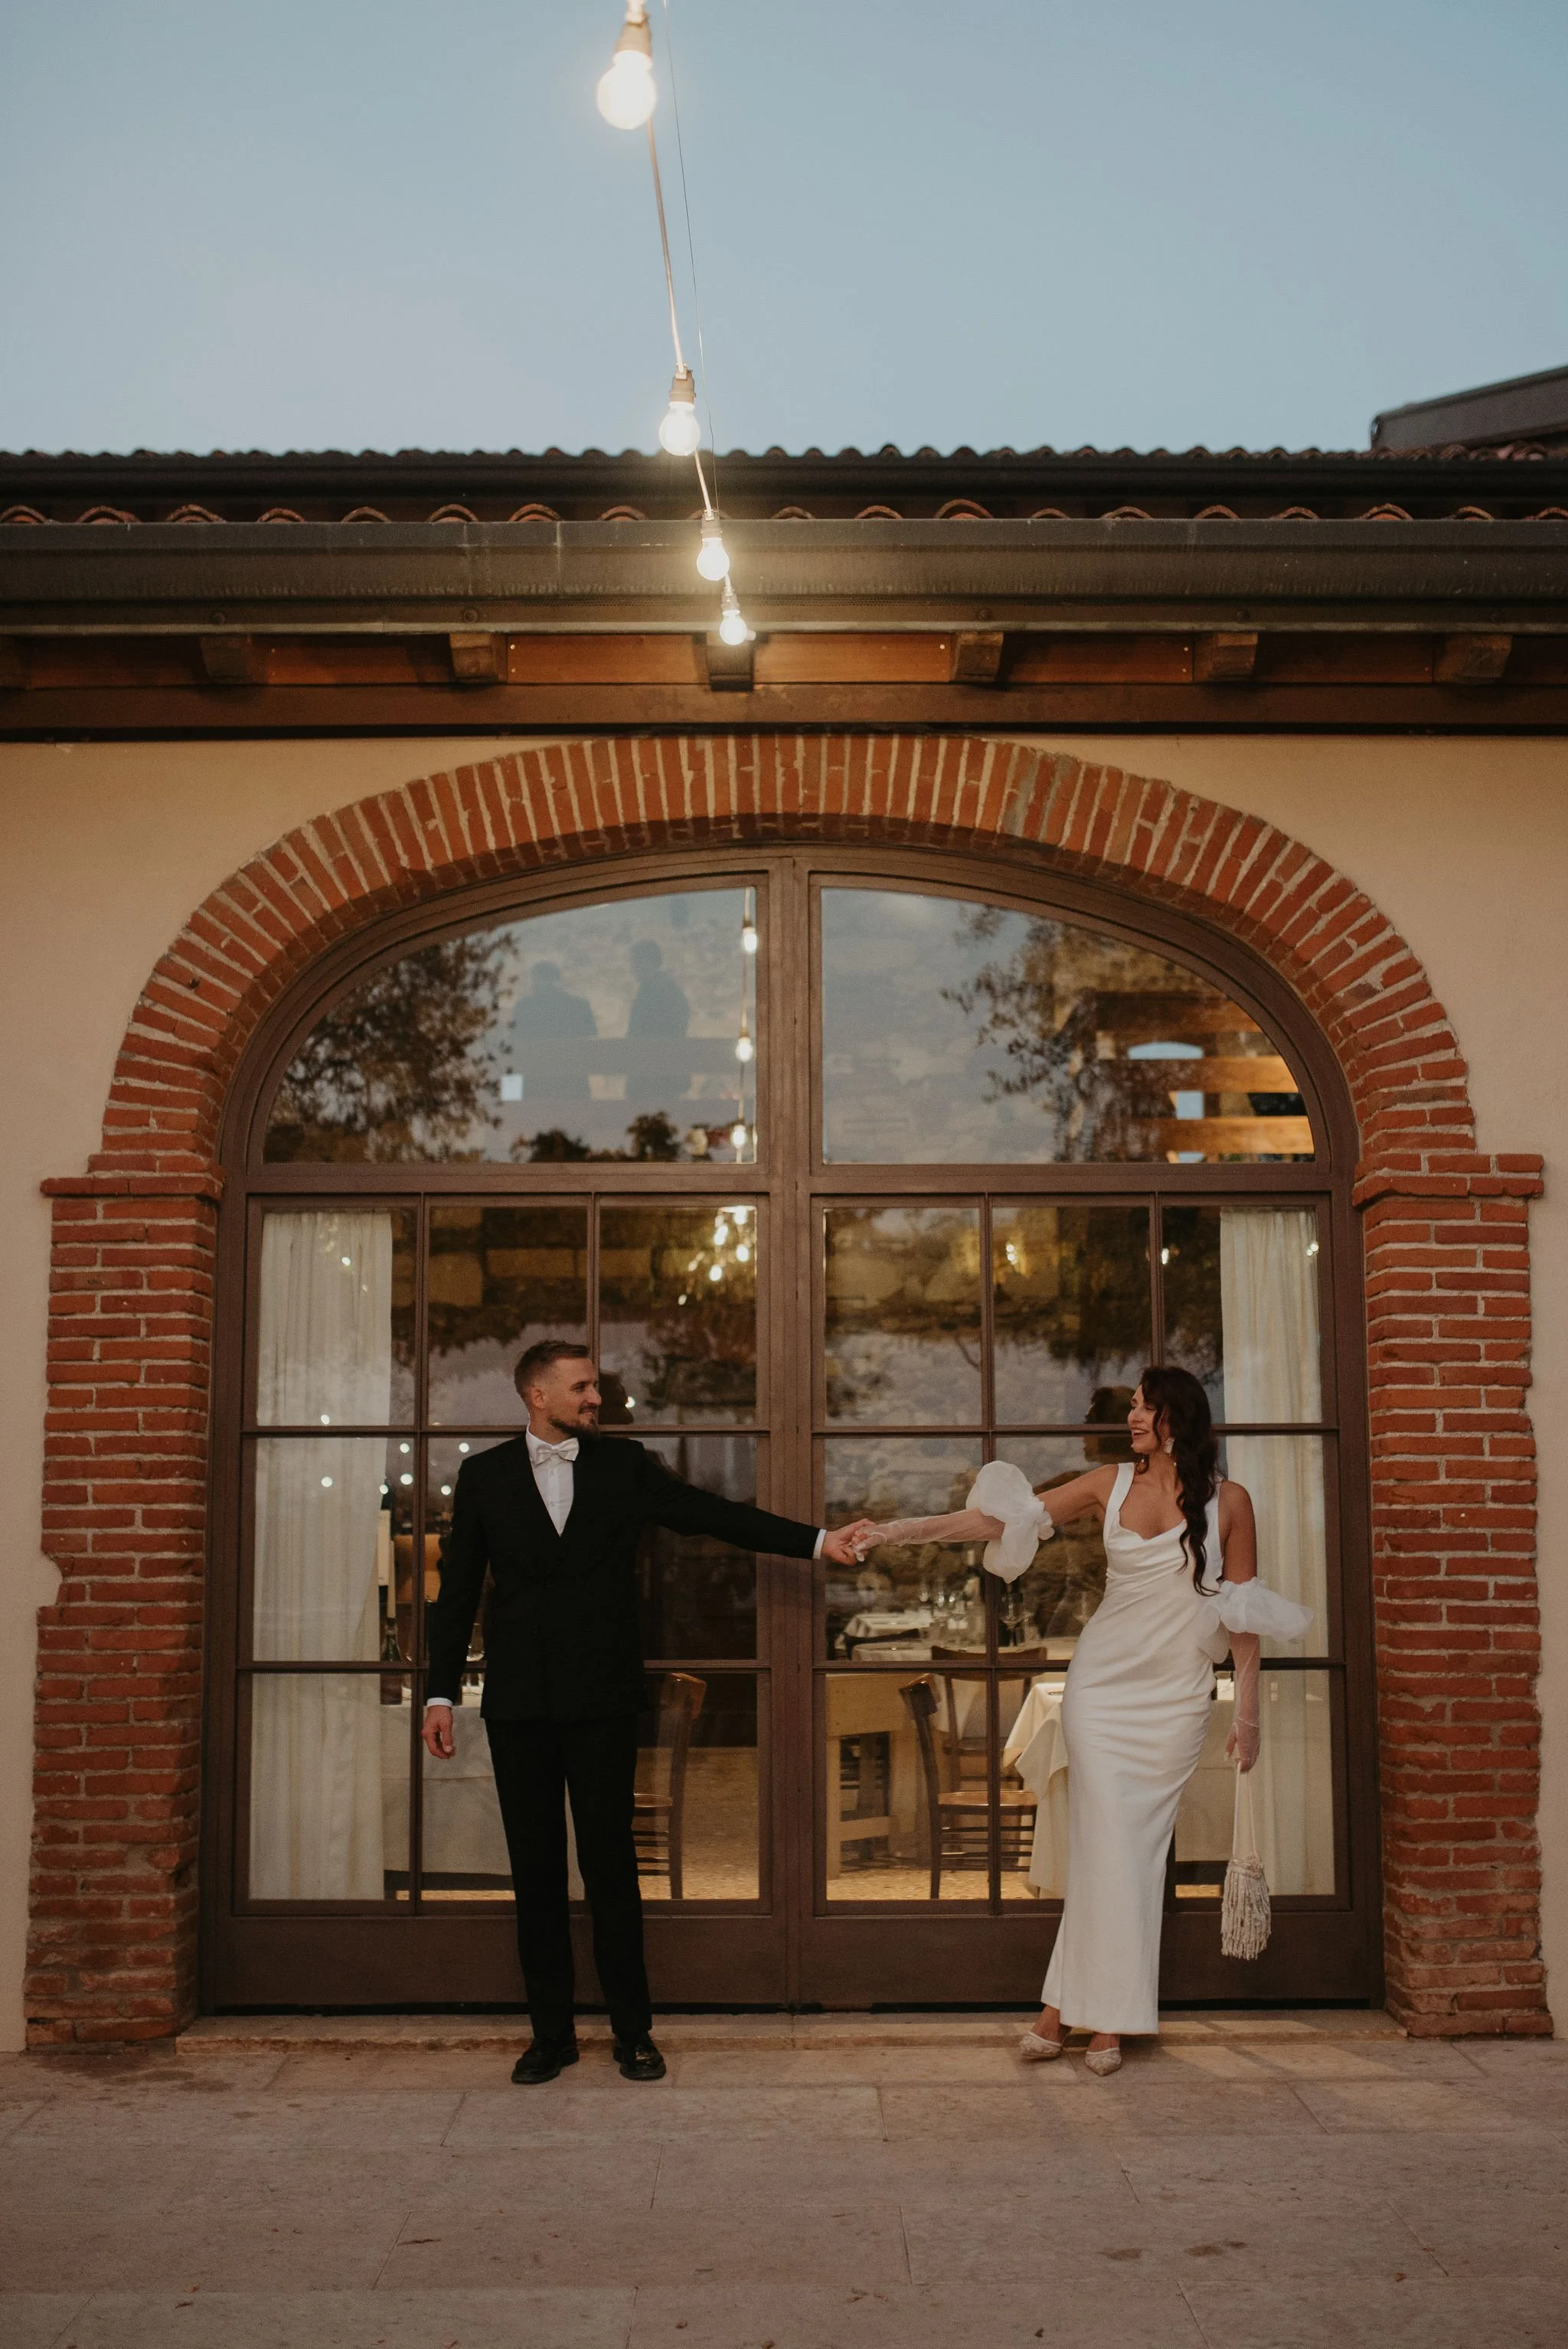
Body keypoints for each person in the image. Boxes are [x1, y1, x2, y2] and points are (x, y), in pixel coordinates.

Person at [423, 1339, 872, 2086]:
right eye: (580, 1386)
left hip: (601, 1700)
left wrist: (819, 1541)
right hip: (518, 1707)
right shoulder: (482, 1476)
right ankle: (550, 2035)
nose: (594, 1398)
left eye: (594, 1385)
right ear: (537, 1395)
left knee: (610, 1868)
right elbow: (457, 1591)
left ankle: (633, 2032)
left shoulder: (623, 1467)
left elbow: (711, 1514)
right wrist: (439, 1691)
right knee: (535, 1873)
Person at [851, 1363, 1309, 2077]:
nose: (1130, 1419)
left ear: (1176, 1420)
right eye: (1131, 1406)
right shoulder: (1108, 1484)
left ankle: (1064, 2013)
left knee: (1129, 1852)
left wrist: (1246, 1710)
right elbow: (1000, 1520)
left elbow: (1242, 1616)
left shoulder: (1232, 1502)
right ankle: (1099, 2024)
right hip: (1102, 1689)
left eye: (1143, 1407)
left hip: (1175, 1698)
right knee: (1107, 1848)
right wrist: (895, 1531)